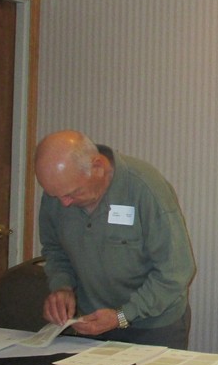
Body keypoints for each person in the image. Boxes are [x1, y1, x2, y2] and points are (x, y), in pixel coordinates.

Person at [35, 130, 195, 349]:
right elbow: (55, 250)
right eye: (55, 195)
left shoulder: (145, 188)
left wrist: (122, 315)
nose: (64, 203)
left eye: (72, 193)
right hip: (91, 321)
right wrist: (62, 287)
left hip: (153, 325)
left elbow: (175, 271)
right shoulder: (59, 191)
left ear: (98, 167)